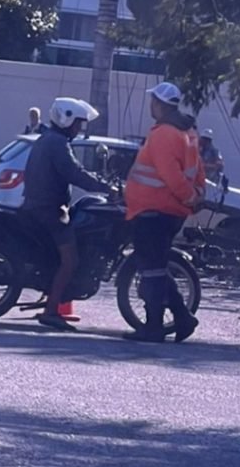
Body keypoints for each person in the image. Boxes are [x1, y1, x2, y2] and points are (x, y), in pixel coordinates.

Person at [123, 82, 205, 343]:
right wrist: (196, 196)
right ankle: (182, 318)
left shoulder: (163, 134)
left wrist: (190, 196)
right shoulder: (187, 132)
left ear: (159, 104)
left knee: (151, 270)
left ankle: (154, 326)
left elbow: (171, 176)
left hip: (153, 210)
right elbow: (198, 170)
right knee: (155, 266)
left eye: (152, 102)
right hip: (168, 211)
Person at [21, 97, 111, 331]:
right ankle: (51, 311)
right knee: (71, 260)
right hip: (48, 209)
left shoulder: (49, 139)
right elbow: (74, 172)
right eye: (78, 123)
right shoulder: (58, 143)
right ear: (66, 118)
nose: (80, 128)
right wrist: (105, 187)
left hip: (40, 205)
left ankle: (53, 296)